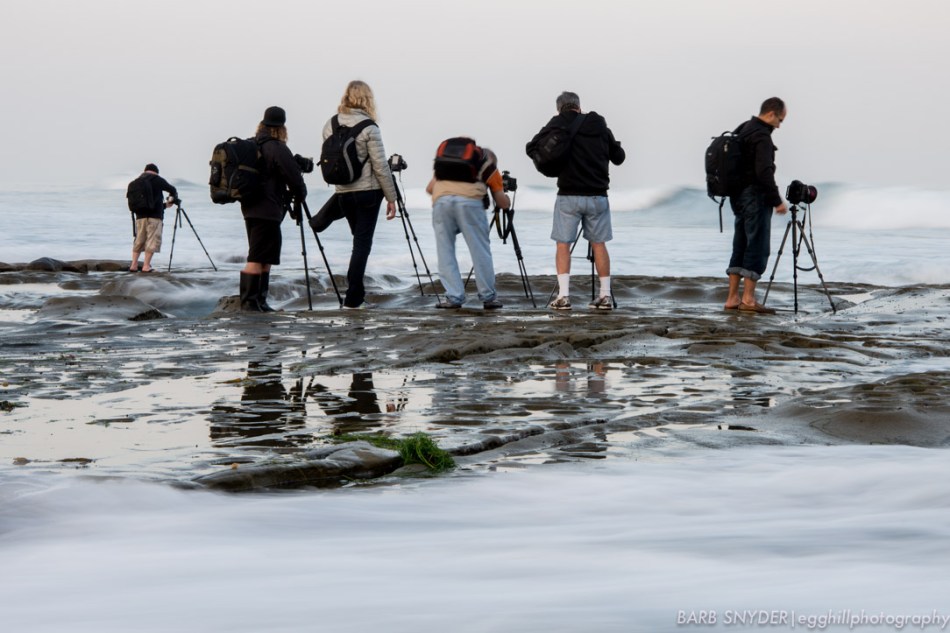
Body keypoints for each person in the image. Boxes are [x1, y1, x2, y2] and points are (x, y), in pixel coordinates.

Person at [527, 91, 625, 311]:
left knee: (563, 245)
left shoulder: (557, 123)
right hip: (598, 195)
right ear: (579, 106)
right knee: (599, 244)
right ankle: (605, 296)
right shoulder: (599, 124)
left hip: (568, 195)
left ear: (559, 107)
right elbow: (619, 157)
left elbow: (532, 146)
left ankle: (563, 297)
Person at [320, 80, 398, 309]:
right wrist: (391, 198)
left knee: (358, 243)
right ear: (367, 99)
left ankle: (357, 294)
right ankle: (353, 299)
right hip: (367, 193)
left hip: (343, 192)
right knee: (361, 245)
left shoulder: (330, 124)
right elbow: (380, 166)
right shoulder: (369, 127)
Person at [425, 138, 509, 310]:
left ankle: (454, 298)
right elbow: (502, 202)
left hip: (441, 202)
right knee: (480, 251)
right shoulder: (488, 165)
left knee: (445, 251)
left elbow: (429, 188)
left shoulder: (448, 166)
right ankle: (488, 298)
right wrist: (506, 196)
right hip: (470, 203)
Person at [239, 106, 307, 312]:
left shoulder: (253, 144)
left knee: (265, 255)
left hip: (251, 207)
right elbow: (292, 176)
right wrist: (301, 192)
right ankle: (250, 303)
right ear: (281, 127)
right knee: (257, 256)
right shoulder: (275, 147)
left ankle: (260, 301)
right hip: (267, 208)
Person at [723, 97, 788, 314]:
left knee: (740, 243)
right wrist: (777, 200)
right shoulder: (761, 136)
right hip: (755, 196)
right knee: (757, 246)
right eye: (780, 120)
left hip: (736, 196)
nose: (779, 125)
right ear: (771, 114)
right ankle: (749, 299)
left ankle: (732, 298)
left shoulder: (743, 129)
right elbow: (764, 172)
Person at [126, 164, 177, 272]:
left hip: (140, 216)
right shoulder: (157, 179)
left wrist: (164, 206)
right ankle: (146, 266)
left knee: (139, 240)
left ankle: (133, 265)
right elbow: (172, 189)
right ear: (156, 172)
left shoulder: (136, 181)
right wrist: (171, 200)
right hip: (155, 217)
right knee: (152, 241)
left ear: (145, 171)